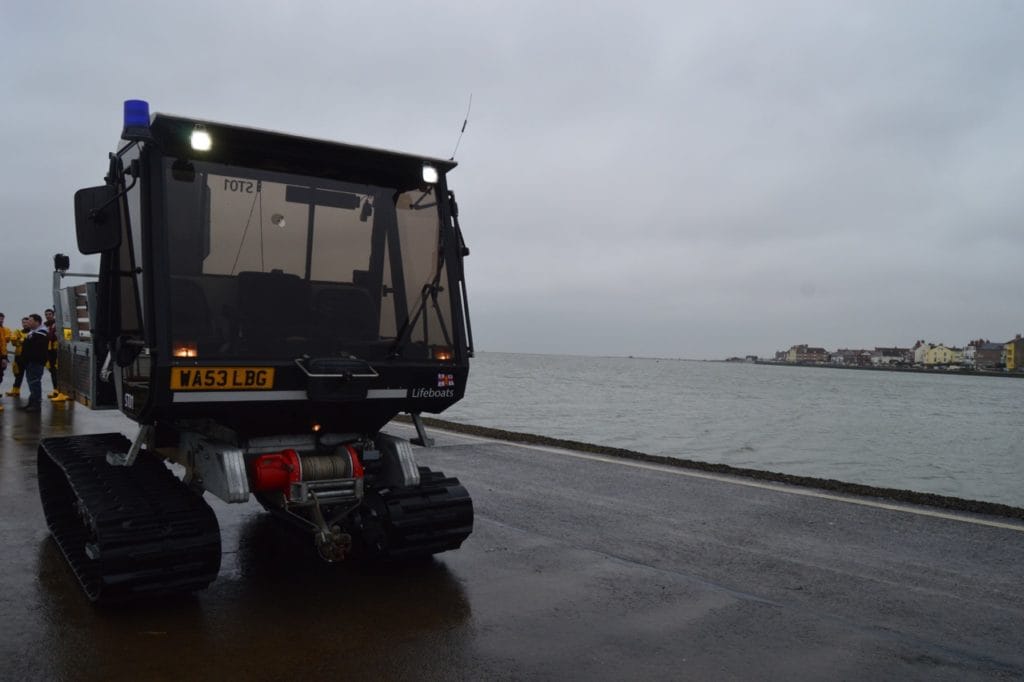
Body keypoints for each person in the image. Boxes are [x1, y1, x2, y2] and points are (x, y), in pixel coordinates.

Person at [20, 314, 48, 413]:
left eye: (30, 320)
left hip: (35, 363)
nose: (28, 322)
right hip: (30, 363)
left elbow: (36, 350)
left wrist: (28, 359)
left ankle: (36, 404)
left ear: (37, 322)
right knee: (31, 383)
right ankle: (31, 402)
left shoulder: (41, 334)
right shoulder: (32, 333)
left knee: (35, 383)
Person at [44, 308, 69, 402]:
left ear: (53, 315)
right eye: (46, 314)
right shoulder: (45, 325)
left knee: (60, 371)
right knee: (52, 370)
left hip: (58, 350)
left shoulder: (58, 323)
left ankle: (63, 392)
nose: (48, 316)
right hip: (49, 350)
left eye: (49, 314)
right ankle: (56, 390)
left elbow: (56, 336)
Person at [5, 317, 29, 397]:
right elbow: (14, 343)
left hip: (28, 357)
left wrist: (21, 340)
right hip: (19, 356)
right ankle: (15, 390)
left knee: (30, 376)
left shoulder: (32, 332)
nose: (24, 324)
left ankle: (34, 394)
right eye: (23, 322)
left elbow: (28, 342)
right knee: (18, 374)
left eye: (26, 322)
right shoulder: (18, 332)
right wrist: (17, 340)